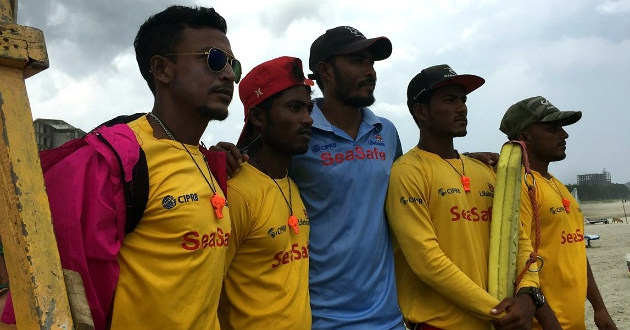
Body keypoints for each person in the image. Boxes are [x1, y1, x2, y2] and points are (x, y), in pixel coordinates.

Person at [2, 5, 239, 330]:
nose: (228, 74)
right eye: (213, 59)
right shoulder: (114, 160)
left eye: (232, 64)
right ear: (162, 69)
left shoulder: (207, 163)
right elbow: (63, 294)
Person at [385, 64, 541, 330]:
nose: (462, 107)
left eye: (463, 99)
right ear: (421, 111)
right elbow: (427, 261)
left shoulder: (485, 171)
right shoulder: (407, 172)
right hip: (442, 325)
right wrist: (495, 309)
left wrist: (528, 294)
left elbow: (519, 239)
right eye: (450, 100)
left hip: (498, 321)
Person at [288, 26, 405, 330]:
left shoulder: (387, 132)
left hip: (390, 317)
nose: (369, 71)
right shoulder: (297, 132)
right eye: (357, 61)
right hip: (321, 318)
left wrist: (463, 161)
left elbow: (410, 190)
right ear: (325, 71)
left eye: (371, 63)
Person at [500, 96, 617, 330]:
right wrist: (551, 324)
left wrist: (599, 307)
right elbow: (516, 264)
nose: (564, 135)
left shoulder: (557, 185)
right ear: (524, 137)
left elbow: (576, 251)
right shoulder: (519, 188)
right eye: (552, 128)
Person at [218, 56, 314, 330]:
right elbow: (205, 292)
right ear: (258, 117)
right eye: (294, 108)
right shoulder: (235, 191)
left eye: (308, 108)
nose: (307, 119)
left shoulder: (291, 184)